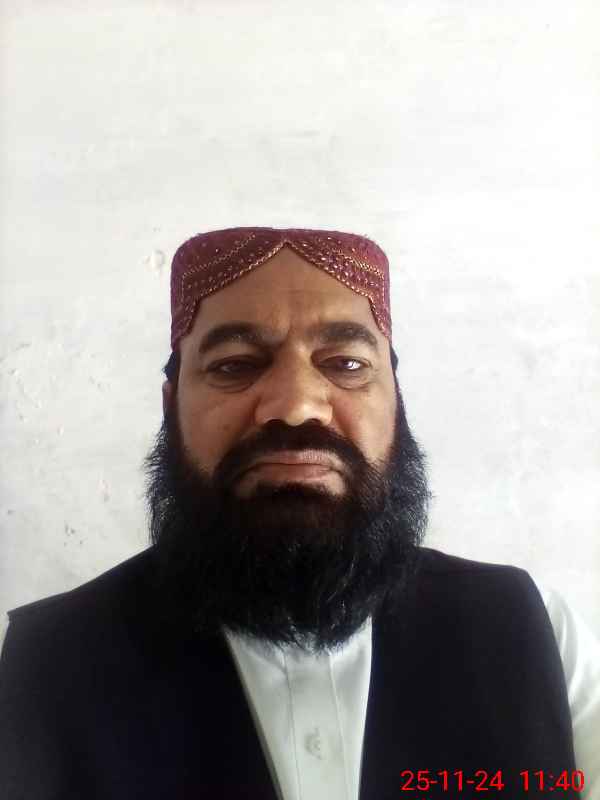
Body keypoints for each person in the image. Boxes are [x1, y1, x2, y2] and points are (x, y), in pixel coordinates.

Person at [1, 226, 598, 799]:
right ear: (171, 405)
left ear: (396, 403)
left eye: (346, 364)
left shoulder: (538, 634)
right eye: (234, 364)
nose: (296, 406)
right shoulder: (34, 670)